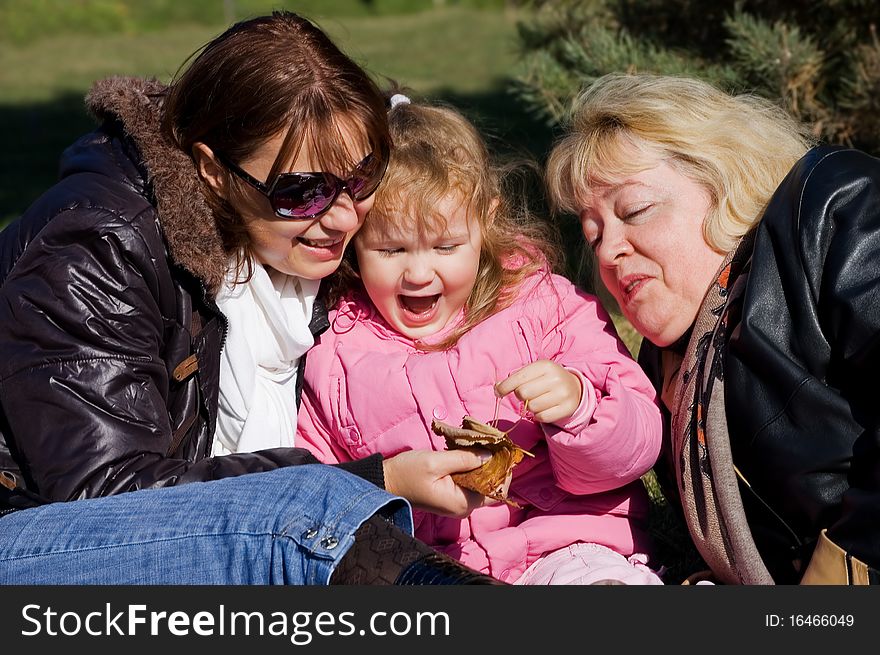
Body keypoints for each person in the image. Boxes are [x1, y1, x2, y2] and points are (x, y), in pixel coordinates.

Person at [0, 11, 499, 585]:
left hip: (162, 525)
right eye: (302, 191)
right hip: (40, 541)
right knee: (298, 517)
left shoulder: (290, 241)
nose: (342, 217)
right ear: (213, 171)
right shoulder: (99, 247)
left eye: (361, 177)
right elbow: (110, 500)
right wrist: (367, 480)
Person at [296, 95, 665, 585]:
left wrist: (580, 408)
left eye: (446, 246)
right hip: (429, 566)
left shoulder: (543, 306)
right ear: (355, 242)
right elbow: (315, 493)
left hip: (565, 542)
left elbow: (637, 447)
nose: (420, 273)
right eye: (391, 249)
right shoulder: (337, 355)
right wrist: (389, 491)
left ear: (485, 220)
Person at [545, 72, 880, 585]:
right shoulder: (664, 382)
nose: (610, 252)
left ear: (724, 183)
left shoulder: (831, 211)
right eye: (593, 237)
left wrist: (840, 582)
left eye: (634, 210)